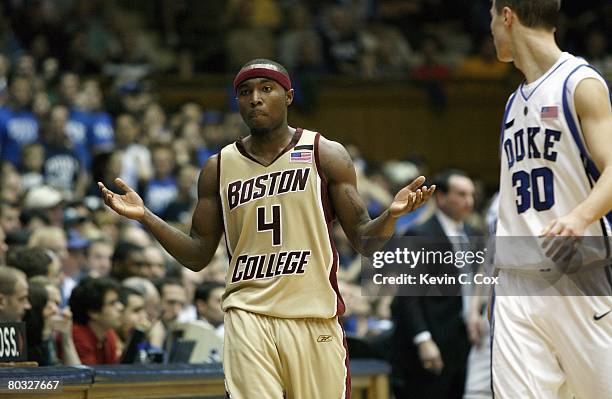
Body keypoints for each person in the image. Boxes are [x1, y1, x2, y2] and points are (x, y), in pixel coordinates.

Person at [99, 58, 435, 398]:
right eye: (245, 92)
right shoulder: (218, 167)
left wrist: (391, 215)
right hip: (249, 315)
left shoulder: (325, 153)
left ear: (288, 97)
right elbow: (199, 253)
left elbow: (365, 241)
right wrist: (146, 217)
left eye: (266, 89)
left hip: (312, 315)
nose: (255, 98)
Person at [489, 1, 612, 398]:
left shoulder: (580, 83)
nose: (489, 30)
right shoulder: (513, 103)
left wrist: (578, 218)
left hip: (580, 277)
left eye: (491, 17)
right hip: (516, 284)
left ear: (507, 16)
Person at [391, 170, 479, 399]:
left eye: (471, 194)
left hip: (463, 340)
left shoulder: (472, 234)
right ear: (440, 197)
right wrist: (423, 339)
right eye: (461, 194)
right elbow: (408, 293)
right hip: (431, 339)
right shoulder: (419, 234)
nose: (469, 201)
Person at [68, 277, 124, 365]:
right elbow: (90, 377)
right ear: (93, 312)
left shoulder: (109, 334)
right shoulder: (77, 337)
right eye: (112, 303)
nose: (121, 307)